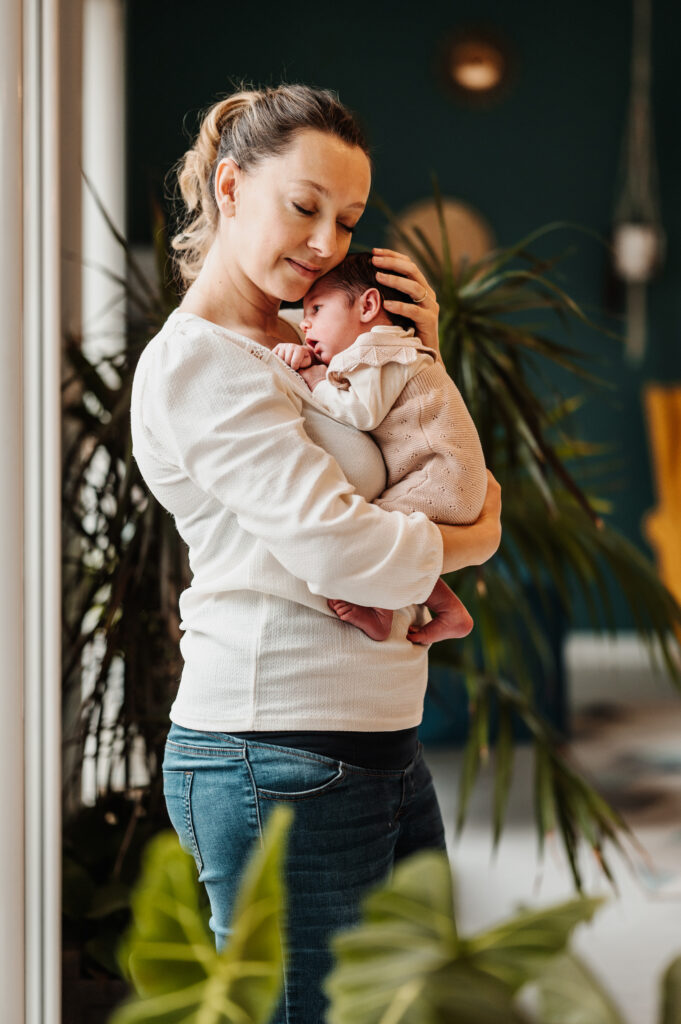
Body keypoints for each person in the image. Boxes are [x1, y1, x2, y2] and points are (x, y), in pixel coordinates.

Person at [129, 83, 502, 1023]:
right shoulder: (200, 364)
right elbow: (342, 549)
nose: (328, 243)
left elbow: (429, 464)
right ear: (229, 186)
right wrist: (479, 536)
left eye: (346, 219)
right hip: (274, 754)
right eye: (305, 207)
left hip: (373, 745)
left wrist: (420, 359)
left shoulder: (317, 346)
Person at [271, 250, 488, 646]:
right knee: (393, 535)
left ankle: (382, 612)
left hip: (444, 475)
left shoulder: (379, 351)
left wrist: (314, 376)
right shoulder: (387, 349)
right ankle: (449, 610)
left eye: (316, 308)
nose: (305, 323)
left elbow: (359, 411)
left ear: (369, 305)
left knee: (381, 536)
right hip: (450, 476)